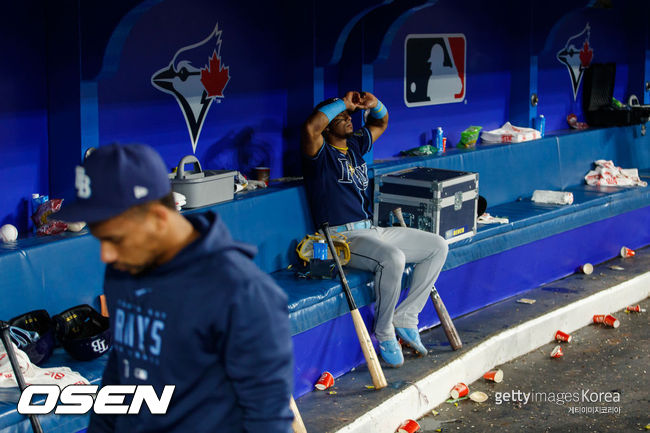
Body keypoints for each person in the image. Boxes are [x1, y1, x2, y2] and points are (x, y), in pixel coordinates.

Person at [57, 144, 294, 433]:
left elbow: (267, 420)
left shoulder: (241, 292)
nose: (106, 255)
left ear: (158, 219)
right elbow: (122, 367)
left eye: (115, 238)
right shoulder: (124, 270)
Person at [301, 92, 448, 367]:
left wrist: (375, 104)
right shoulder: (319, 153)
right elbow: (311, 127)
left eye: (349, 116)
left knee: (437, 246)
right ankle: (384, 332)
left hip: (372, 229)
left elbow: (380, 123)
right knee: (393, 258)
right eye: (341, 117)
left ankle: (406, 317)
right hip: (340, 237)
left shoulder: (355, 144)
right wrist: (342, 104)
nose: (348, 119)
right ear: (328, 124)